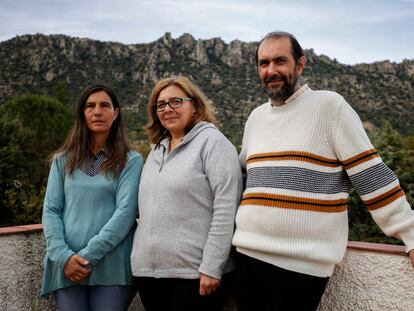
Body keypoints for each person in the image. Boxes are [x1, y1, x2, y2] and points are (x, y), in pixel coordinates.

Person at [232, 31, 414, 311]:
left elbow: (370, 174)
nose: (271, 70)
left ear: (300, 64)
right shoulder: (255, 118)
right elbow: (242, 176)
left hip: (301, 265)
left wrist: (410, 233)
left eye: (280, 61)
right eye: (264, 63)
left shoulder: (330, 106)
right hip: (246, 254)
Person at [130, 76, 242, 311]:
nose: (167, 109)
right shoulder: (156, 150)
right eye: (161, 105)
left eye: (176, 101)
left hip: (195, 275)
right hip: (150, 275)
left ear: (195, 106)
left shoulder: (213, 143)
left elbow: (226, 209)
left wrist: (212, 267)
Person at [41, 84, 143, 311]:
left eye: (105, 105)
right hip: (66, 264)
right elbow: (51, 210)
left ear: (116, 113)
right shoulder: (62, 160)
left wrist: (86, 257)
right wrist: (63, 256)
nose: (97, 111)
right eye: (90, 106)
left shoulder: (131, 160)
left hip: (112, 265)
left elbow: (125, 213)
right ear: (82, 113)